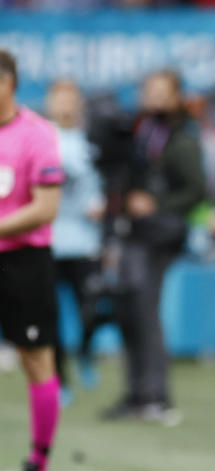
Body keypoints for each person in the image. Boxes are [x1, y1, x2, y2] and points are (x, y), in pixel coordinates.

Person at [101, 70, 205, 426]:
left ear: (177, 95)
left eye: (163, 91)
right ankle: (136, 394)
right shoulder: (142, 130)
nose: (156, 98)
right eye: (151, 91)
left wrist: (157, 204)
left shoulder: (184, 136)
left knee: (145, 310)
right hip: (135, 233)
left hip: (160, 235)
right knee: (129, 311)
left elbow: (197, 190)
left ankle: (157, 396)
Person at [0, 50, 65, 471]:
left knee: (35, 357)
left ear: (8, 83)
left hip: (23, 261)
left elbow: (46, 208)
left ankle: (37, 466)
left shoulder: (37, 135)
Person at [46, 80, 107, 400]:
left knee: (91, 309)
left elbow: (103, 184)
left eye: (71, 98)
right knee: (49, 317)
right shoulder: (40, 140)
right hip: (49, 242)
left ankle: (85, 351)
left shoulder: (91, 141)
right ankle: (61, 380)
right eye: (60, 99)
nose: (66, 105)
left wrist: (101, 205)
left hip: (85, 242)